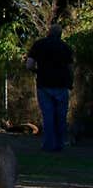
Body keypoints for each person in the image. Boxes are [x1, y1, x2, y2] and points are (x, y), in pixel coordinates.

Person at [25, 22, 74, 152]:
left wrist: (37, 71)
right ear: (60, 34)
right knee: (60, 116)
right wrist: (70, 82)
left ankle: (48, 144)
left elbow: (29, 65)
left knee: (48, 115)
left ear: (48, 32)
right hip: (62, 85)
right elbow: (70, 68)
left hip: (44, 84)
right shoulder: (65, 47)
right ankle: (60, 144)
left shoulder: (39, 45)